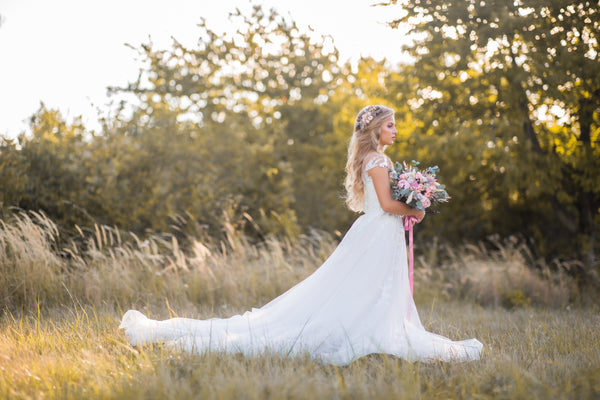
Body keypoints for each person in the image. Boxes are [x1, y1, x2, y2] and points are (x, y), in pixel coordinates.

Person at [120, 105, 483, 365]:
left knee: (367, 287)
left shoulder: (371, 159)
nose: (395, 130)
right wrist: (416, 209)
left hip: (375, 231)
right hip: (379, 229)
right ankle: (367, 331)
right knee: (370, 286)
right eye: (391, 126)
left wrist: (411, 200)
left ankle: (373, 327)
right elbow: (388, 204)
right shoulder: (380, 160)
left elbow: (383, 203)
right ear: (375, 131)